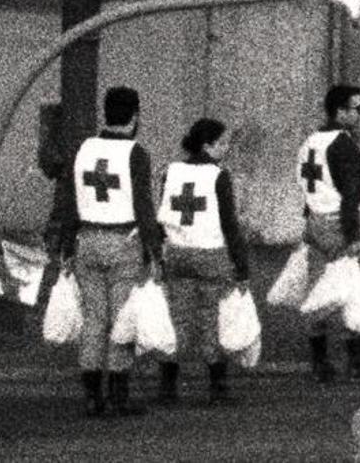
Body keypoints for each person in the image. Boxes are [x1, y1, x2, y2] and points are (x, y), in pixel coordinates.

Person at [52, 86, 158, 417]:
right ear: (135, 116)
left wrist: (66, 244)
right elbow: (143, 206)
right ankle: (118, 395)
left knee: (95, 318)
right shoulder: (136, 153)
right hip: (123, 241)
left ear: (105, 113)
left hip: (86, 241)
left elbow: (68, 200)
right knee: (121, 319)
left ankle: (91, 395)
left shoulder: (83, 149)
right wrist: (154, 252)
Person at [156, 118, 249, 404]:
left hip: (177, 252)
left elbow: (163, 214)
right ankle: (217, 386)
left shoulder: (171, 172)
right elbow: (230, 224)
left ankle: (168, 386)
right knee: (212, 318)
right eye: (222, 143)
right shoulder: (218, 175)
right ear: (207, 145)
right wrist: (242, 266)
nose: (227, 148)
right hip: (211, 253)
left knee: (177, 318)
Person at [295, 85, 360, 382]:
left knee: (319, 291)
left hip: (315, 223)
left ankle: (319, 361)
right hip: (340, 224)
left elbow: (309, 185)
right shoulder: (344, 144)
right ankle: (357, 359)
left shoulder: (310, 141)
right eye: (356, 108)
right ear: (340, 111)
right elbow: (351, 195)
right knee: (355, 292)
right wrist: (354, 237)